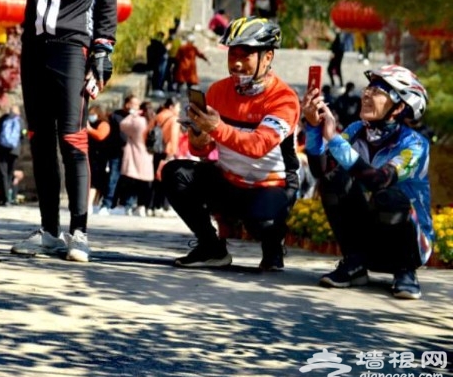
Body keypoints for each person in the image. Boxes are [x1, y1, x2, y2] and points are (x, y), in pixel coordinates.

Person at [1, 0, 119, 263]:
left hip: (73, 48)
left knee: (72, 137)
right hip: (33, 45)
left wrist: (103, 51)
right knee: (39, 140)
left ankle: (79, 233)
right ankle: (49, 231)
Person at [164, 17, 301, 272]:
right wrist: (199, 137)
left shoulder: (284, 99)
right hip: (228, 180)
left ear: (268, 57)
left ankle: (272, 245)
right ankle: (211, 247)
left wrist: (216, 127)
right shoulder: (217, 91)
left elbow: (259, 145)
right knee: (175, 172)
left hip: (271, 184)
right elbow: (201, 151)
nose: (236, 64)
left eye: (245, 56)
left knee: (262, 223)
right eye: (232, 55)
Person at [303, 66, 434, 300]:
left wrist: (333, 139)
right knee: (333, 180)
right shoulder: (355, 130)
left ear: (399, 106)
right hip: (370, 242)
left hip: (410, 243)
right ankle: (354, 263)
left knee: (390, 196)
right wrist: (313, 127)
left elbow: (379, 180)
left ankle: (405, 270)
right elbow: (321, 170)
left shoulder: (415, 144)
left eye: (378, 90)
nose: (366, 94)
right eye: (368, 87)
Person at [95, 96, 136, 215]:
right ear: (127, 104)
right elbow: (120, 134)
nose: (135, 107)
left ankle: (128, 205)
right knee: (113, 178)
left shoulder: (137, 118)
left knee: (130, 179)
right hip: (116, 152)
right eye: (133, 104)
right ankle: (107, 204)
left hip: (131, 153)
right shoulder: (116, 116)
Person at [118, 101, 154, 216]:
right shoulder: (152, 121)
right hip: (148, 155)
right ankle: (141, 207)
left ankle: (128, 205)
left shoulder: (138, 121)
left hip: (135, 154)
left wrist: (133, 115)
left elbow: (123, 125)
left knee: (131, 183)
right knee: (144, 184)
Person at [0, 105, 24, 206]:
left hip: (2, 150)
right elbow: (23, 135)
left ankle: (4, 199)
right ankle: (8, 198)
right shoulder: (20, 121)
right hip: (14, 151)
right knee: (9, 174)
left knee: (3, 174)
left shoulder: (4, 118)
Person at [85, 105, 111, 210]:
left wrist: (89, 130)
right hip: (89, 155)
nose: (91, 117)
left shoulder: (103, 124)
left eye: (93, 114)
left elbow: (100, 135)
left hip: (99, 156)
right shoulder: (88, 123)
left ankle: (91, 203)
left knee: (95, 182)